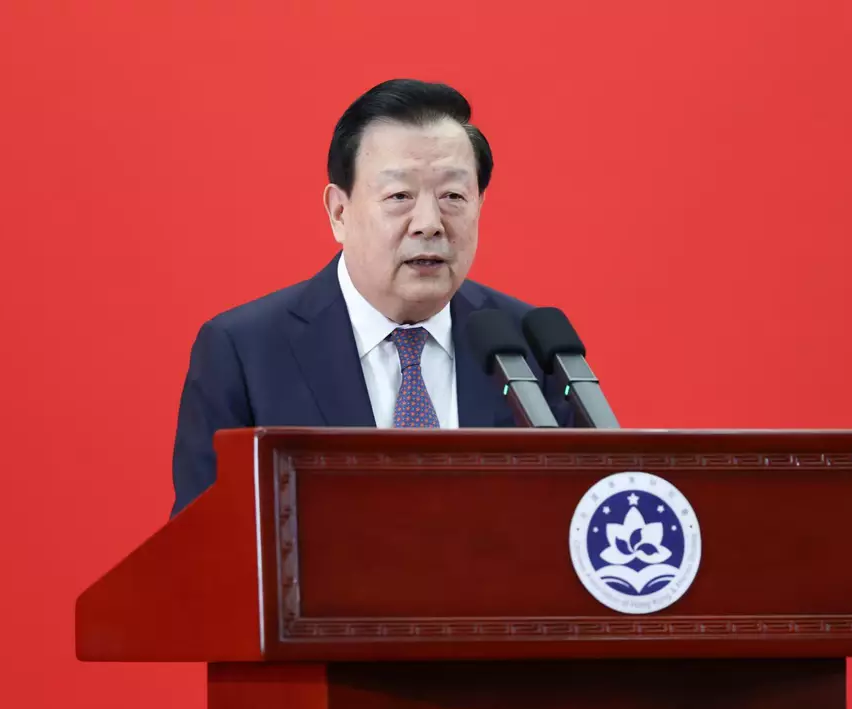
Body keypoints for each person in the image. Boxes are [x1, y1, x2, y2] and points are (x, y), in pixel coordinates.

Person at [169, 78, 570, 516]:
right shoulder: (245, 353)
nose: (429, 223)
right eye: (399, 196)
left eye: (453, 196)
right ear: (339, 213)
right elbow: (204, 542)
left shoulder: (531, 346)